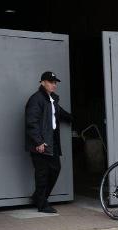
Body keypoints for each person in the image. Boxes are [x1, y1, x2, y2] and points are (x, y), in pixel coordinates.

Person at [25, 71, 72, 213]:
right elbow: (31, 122)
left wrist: (75, 118)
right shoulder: (36, 99)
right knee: (42, 174)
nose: (54, 85)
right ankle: (42, 204)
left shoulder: (51, 100)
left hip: (51, 142)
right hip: (40, 144)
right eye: (51, 82)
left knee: (55, 170)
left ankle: (39, 198)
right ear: (42, 82)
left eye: (55, 83)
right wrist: (38, 142)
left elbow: (59, 113)